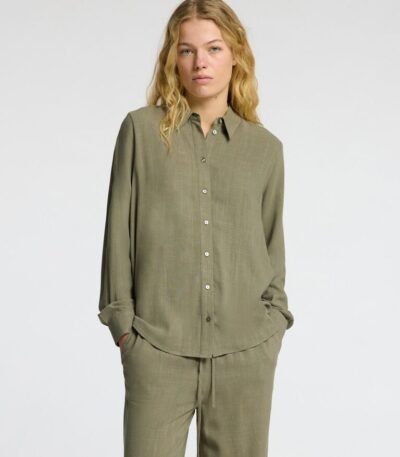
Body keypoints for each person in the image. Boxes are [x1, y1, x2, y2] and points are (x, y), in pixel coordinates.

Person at [97, 1, 295, 456]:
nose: (200, 62)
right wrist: (125, 329)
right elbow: (118, 235)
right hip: (158, 349)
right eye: (187, 50)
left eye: (213, 48)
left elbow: (271, 248)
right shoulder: (141, 132)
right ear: (174, 59)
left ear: (235, 55)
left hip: (245, 351)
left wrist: (272, 327)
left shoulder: (265, 150)